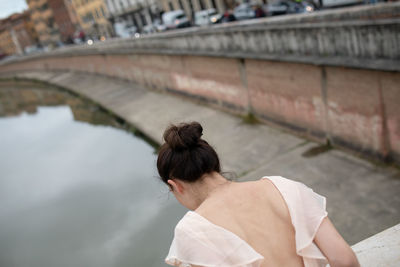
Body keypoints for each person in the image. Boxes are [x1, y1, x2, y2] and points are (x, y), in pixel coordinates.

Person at [157, 122, 360, 267]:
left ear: (175, 186)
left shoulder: (192, 231)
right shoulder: (283, 187)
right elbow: (345, 260)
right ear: (214, 164)